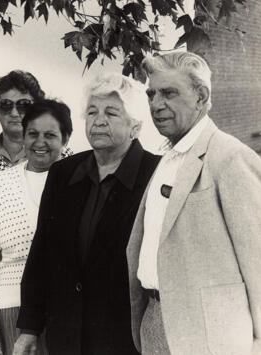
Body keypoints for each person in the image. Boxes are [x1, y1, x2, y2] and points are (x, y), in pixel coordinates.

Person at [126, 51, 261, 355]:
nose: (156, 104)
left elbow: (259, 263)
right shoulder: (168, 157)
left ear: (201, 96)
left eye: (169, 93)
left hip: (212, 338)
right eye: (151, 94)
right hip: (155, 322)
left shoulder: (230, 157)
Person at [14, 73, 160, 355]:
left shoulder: (156, 175)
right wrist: (29, 328)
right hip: (66, 336)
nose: (99, 120)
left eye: (112, 112)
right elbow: (41, 252)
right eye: (92, 112)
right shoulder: (63, 173)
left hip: (125, 339)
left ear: (136, 126)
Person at [0, 99, 72, 355]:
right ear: (24, 137)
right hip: (13, 312)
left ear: (66, 138)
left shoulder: (79, 182)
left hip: (68, 311)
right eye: (33, 134)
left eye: (50, 135)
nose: (40, 142)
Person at [0, 70, 72, 271]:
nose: (15, 113)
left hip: (46, 271)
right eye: (6, 105)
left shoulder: (62, 155)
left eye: (24, 105)